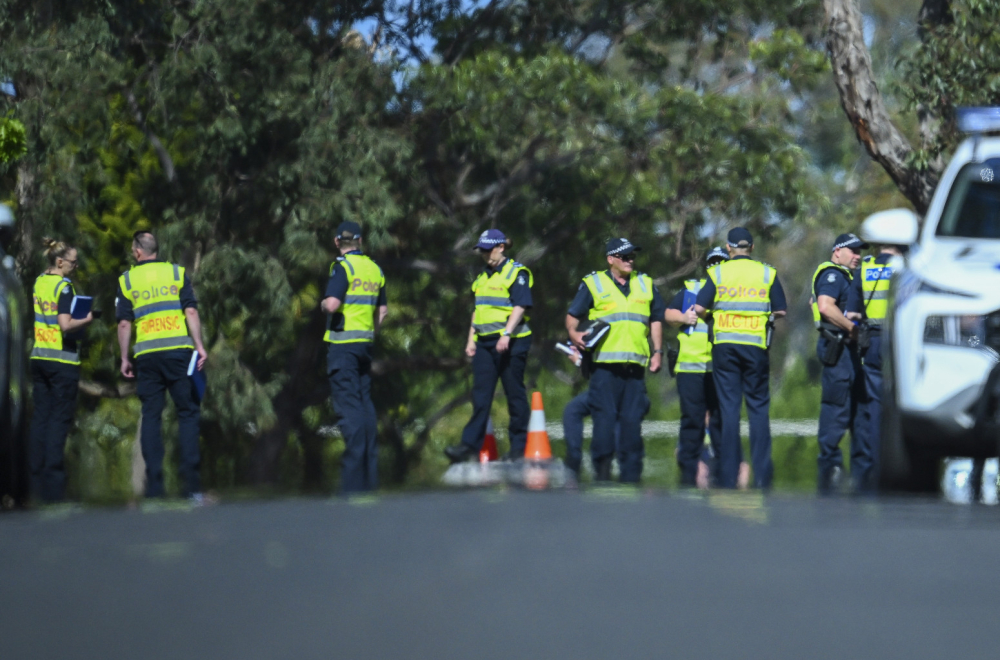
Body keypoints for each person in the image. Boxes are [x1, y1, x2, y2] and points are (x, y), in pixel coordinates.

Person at [117, 230, 207, 500]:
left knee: (151, 415)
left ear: (137, 251)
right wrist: (199, 345)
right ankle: (191, 485)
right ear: (155, 249)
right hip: (178, 353)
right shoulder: (176, 273)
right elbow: (191, 310)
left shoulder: (127, 280)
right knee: (187, 413)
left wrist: (124, 357)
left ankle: (155, 486)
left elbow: (124, 323)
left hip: (147, 356)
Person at [695, 227, 787, 489]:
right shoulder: (767, 273)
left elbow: (699, 308)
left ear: (728, 248)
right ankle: (762, 476)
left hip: (725, 348)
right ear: (752, 248)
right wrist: (763, 317)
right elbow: (781, 310)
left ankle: (728, 475)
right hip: (755, 347)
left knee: (729, 411)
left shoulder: (718, 272)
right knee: (758, 410)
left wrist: (713, 317)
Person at [566, 237, 664, 482]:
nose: (630, 260)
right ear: (611, 259)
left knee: (632, 424)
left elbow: (656, 319)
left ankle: (631, 476)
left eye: (632, 256)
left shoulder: (645, 283)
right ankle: (602, 473)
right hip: (604, 369)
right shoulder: (594, 283)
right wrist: (573, 334)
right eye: (624, 256)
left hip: (635, 369)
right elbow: (573, 315)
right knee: (604, 423)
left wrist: (658, 351)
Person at [445, 229, 533, 463]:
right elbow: (478, 310)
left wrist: (507, 334)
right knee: (480, 396)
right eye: (482, 251)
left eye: (488, 250)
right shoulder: (483, 277)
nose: (485, 255)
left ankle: (519, 447)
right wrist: (470, 339)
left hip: (512, 342)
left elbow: (521, 305)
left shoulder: (516, 273)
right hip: (484, 343)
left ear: (501, 247)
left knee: (514, 394)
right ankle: (468, 446)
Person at [321, 221, 388, 492]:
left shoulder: (343, 267)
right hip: (364, 346)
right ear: (360, 241)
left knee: (349, 410)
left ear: (337, 242)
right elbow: (382, 311)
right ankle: (369, 479)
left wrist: (323, 303)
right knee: (364, 405)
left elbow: (332, 304)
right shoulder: (374, 269)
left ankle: (352, 483)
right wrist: (370, 333)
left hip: (343, 347)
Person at [29, 238, 94, 502]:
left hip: (40, 356)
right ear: (59, 262)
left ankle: (34, 480)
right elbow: (65, 325)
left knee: (40, 418)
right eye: (73, 262)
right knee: (59, 420)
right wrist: (89, 317)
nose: (76, 267)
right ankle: (54, 483)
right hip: (62, 361)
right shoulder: (64, 287)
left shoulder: (39, 282)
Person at [811, 233, 869, 493]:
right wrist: (852, 329)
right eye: (852, 251)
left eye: (859, 251)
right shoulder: (832, 275)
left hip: (850, 354)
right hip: (839, 350)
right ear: (837, 251)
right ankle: (830, 472)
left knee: (858, 415)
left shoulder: (848, 277)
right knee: (835, 412)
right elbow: (825, 306)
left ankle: (860, 475)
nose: (857, 256)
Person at [664, 246, 726, 487]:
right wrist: (683, 318)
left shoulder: (732, 292)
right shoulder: (692, 290)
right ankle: (687, 475)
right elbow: (668, 314)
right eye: (712, 263)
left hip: (718, 369)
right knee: (692, 420)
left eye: (721, 262)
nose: (716, 267)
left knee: (720, 421)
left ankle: (722, 472)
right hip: (690, 369)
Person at [853, 230, 905, 492]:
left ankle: (874, 468)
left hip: (872, 342)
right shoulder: (906, 266)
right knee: (901, 405)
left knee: (874, 407)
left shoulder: (865, 268)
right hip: (899, 342)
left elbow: (853, 311)